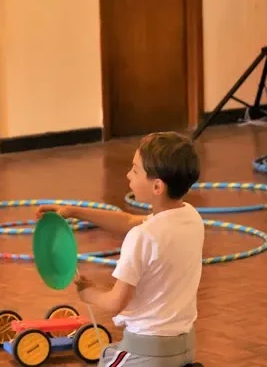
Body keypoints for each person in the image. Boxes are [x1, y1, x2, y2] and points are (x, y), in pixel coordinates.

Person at [36, 131, 203, 367]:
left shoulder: (142, 237)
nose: (128, 175)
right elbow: (126, 221)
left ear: (157, 186)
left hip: (146, 350)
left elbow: (115, 302)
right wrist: (74, 211)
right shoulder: (190, 216)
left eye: (135, 170)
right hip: (182, 348)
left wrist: (89, 293)